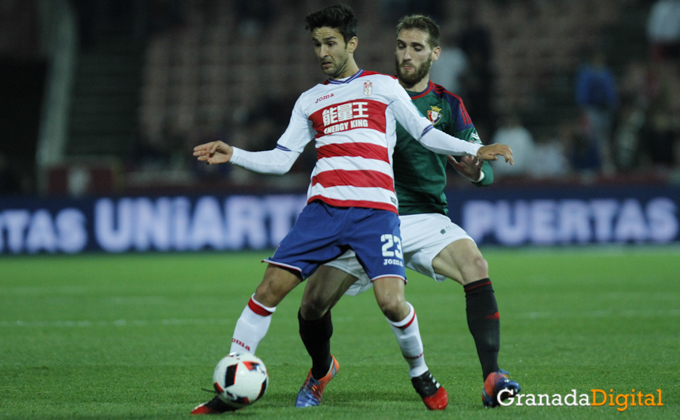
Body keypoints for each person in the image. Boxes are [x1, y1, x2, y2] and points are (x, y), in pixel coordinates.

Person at [190, 4, 513, 414]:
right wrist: (233, 153)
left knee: (392, 302)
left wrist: (476, 149)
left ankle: (421, 374)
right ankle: (234, 383)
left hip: (375, 212)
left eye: (330, 43)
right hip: (322, 211)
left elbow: (425, 133)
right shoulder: (310, 100)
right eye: (316, 44)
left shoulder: (381, 86)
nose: (322, 52)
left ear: (351, 44)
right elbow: (282, 159)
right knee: (273, 292)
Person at [297, 14, 521, 409]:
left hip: (425, 218)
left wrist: (477, 171)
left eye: (416, 47)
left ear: (435, 53)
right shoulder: (375, 94)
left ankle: (492, 376)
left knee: (476, 265)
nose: (406, 54)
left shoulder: (448, 104)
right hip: (369, 215)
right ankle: (320, 370)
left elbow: (481, 166)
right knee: (311, 306)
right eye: (401, 46)